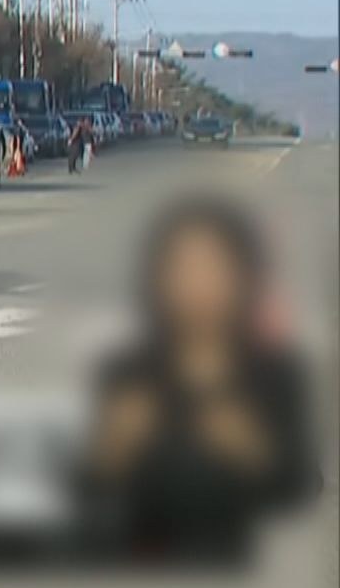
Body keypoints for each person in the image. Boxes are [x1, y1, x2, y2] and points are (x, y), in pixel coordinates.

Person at [82, 198, 320, 560]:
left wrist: (251, 446)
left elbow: (301, 483)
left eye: (214, 270)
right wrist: (117, 446)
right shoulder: (128, 371)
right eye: (184, 271)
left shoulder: (271, 372)